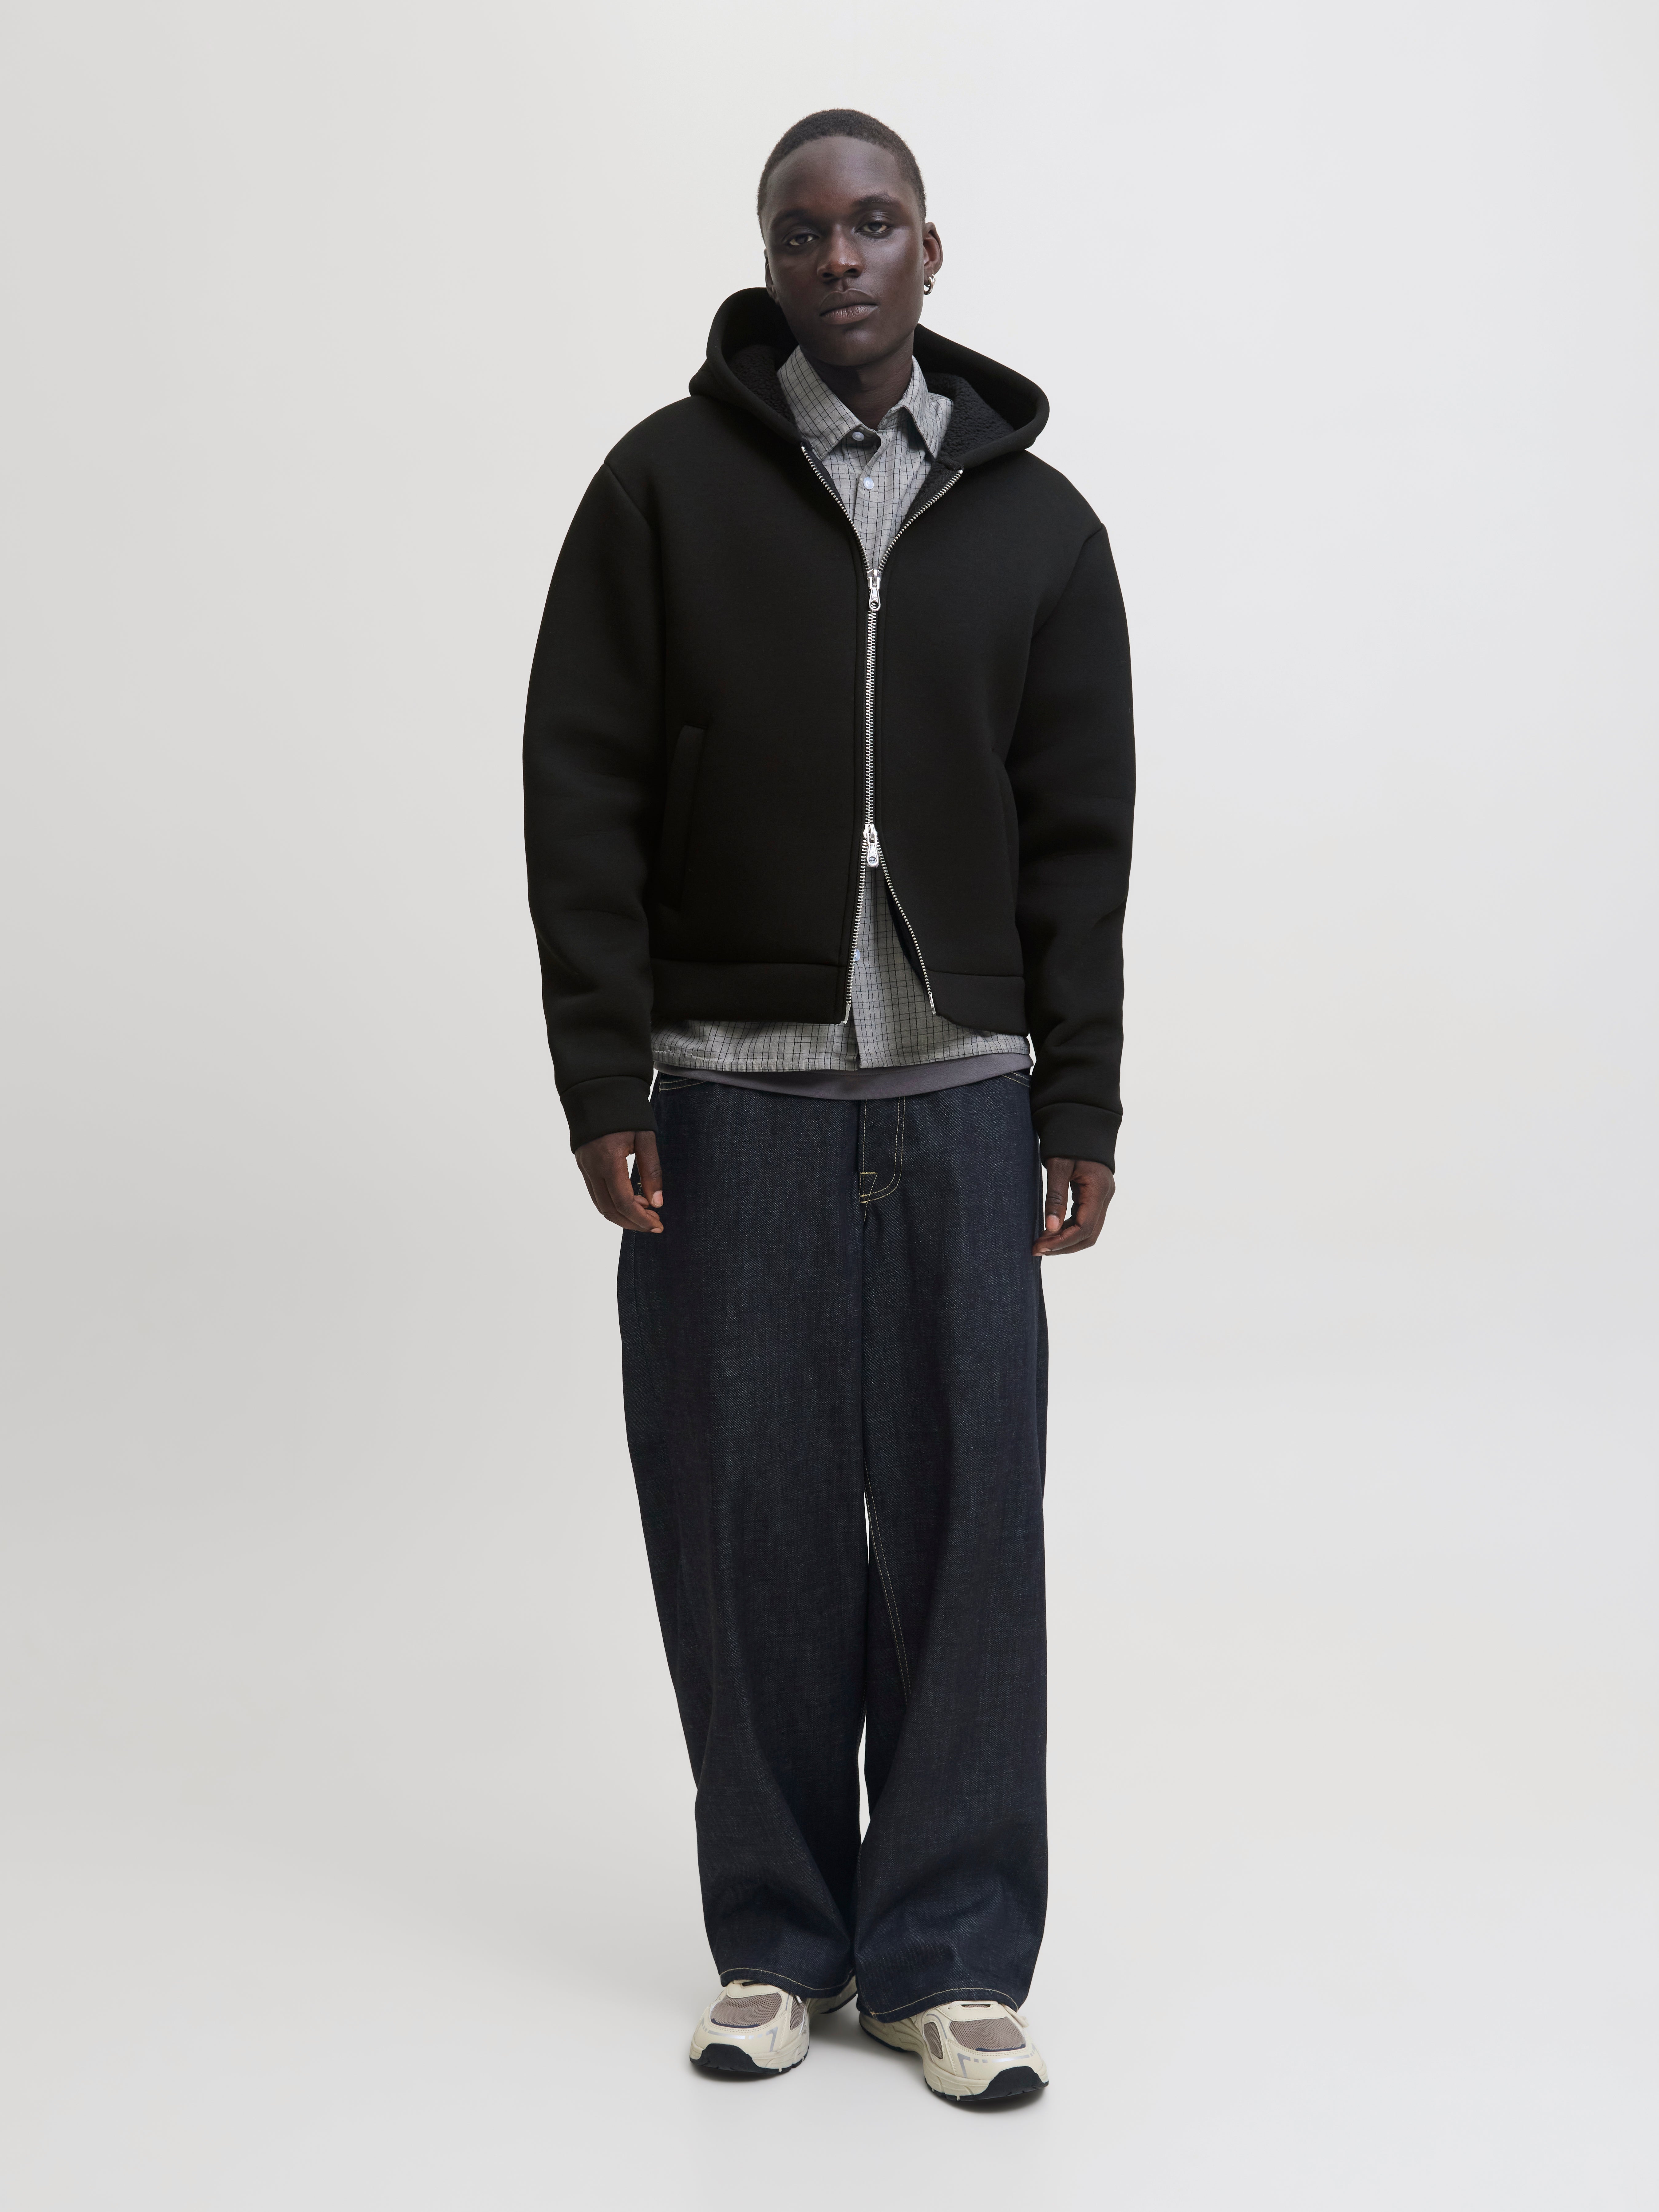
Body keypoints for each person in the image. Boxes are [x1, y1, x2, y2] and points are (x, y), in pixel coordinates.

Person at [523, 108, 1134, 2102]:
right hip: (730, 1098)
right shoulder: (661, 488)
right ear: (767, 260)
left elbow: (1081, 838)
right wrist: (602, 1074)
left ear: (929, 252)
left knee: (967, 1534)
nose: (839, 258)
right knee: (747, 1528)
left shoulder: (1039, 529)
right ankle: (778, 1943)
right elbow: (580, 789)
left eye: (873, 224)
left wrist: (1079, 1102)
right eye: (803, 232)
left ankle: (941, 1957)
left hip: (961, 1099)